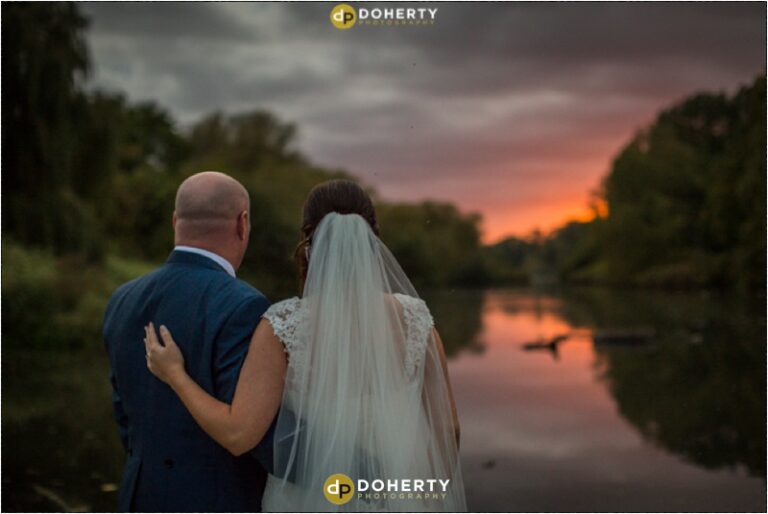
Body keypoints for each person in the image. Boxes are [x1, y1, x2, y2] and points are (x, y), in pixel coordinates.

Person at [145, 179, 467, 511]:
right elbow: (448, 430)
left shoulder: (283, 326)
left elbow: (238, 436)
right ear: (375, 235)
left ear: (308, 239)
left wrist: (176, 376)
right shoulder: (417, 320)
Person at [103, 171, 276, 512]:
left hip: (138, 497)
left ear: (174, 222)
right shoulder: (243, 305)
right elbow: (254, 433)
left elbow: (124, 411)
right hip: (216, 500)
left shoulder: (122, 298)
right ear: (242, 224)